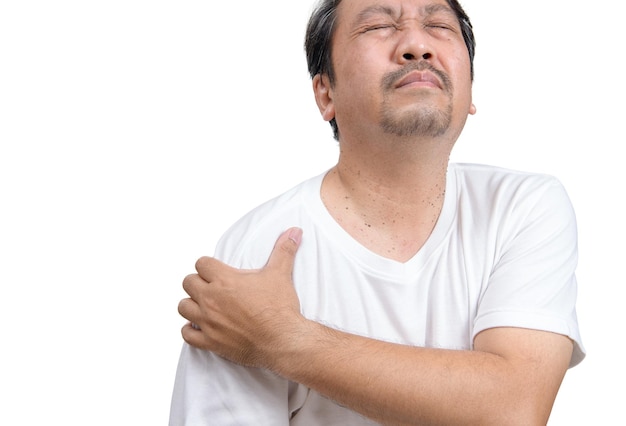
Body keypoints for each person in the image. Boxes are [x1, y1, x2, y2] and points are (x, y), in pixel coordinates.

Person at [170, 0, 585, 424]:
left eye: (439, 25)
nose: (417, 45)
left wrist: (282, 339)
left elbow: (514, 408)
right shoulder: (260, 251)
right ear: (325, 93)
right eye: (378, 27)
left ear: (471, 90)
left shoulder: (522, 208)